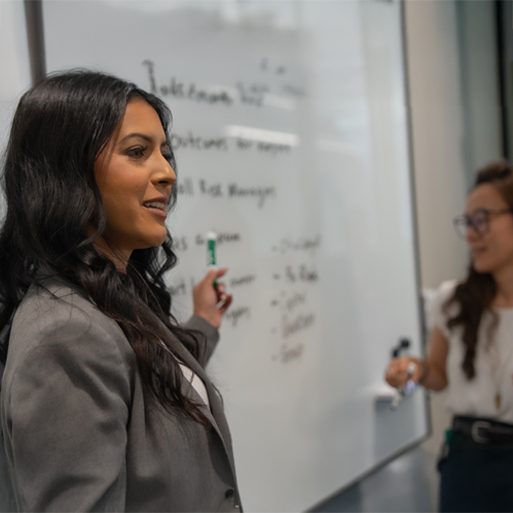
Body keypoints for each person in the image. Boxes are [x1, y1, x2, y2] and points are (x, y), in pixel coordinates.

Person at [0, 70, 242, 512]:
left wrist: (205, 321)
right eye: (137, 152)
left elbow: (153, 380)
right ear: (67, 172)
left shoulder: (109, 297)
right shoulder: (66, 336)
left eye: (165, 154)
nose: (167, 173)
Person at [385, 160, 513, 512]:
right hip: (467, 463)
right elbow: (438, 375)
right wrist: (415, 369)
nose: (472, 232)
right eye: (468, 222)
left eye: (482, 218)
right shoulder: (452, 300)